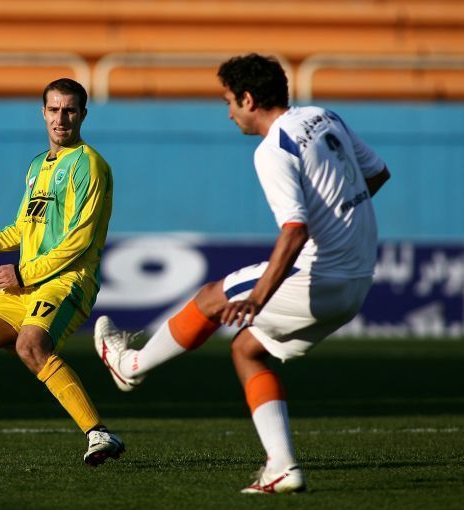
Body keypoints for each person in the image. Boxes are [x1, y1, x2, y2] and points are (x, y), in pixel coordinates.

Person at [94, 54, 390, 493]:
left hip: (320, 275)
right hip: (359, 278)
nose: (229, 112)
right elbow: (377, 174)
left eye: (229, 101)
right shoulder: (324, 116)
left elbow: (295, 230)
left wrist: (259, 296)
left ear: (248, 99)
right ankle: (282, 467)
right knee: (247, 349)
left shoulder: (273, 150)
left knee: (211, 297)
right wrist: (339, 219)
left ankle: (130, 366)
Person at [0, 78, 123, 468]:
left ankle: (98, 433)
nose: (61, 118)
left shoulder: (89, 165)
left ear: (83, 115)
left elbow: (79, 241)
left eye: (69, 110)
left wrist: (23, 273)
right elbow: (22, 228)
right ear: (43, 113)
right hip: (28, 280)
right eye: (54, 110)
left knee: (30, 345)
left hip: (69, 280)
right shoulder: (38, 166)